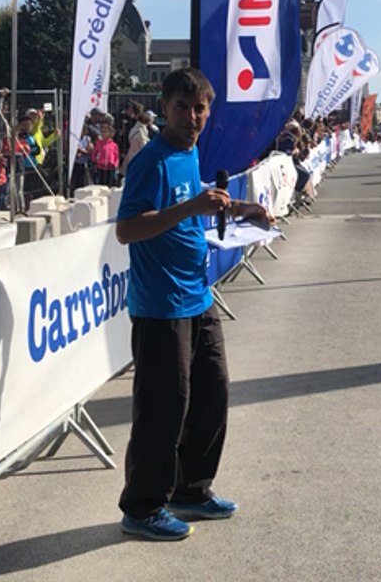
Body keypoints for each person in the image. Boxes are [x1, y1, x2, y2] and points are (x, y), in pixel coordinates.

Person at [115, 67, 273, 541]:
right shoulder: (151, 161)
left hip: (196, 296)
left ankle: (191, 490)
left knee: (212, 392)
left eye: (200, 107)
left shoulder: (190, 152)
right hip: (161, 305)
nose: (192, 116)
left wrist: (243, 209)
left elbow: (196, 205)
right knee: (164, 408)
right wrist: (190, 208)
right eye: (182, 107)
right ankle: (142, 506)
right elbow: (127, 229)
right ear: (164, 108)